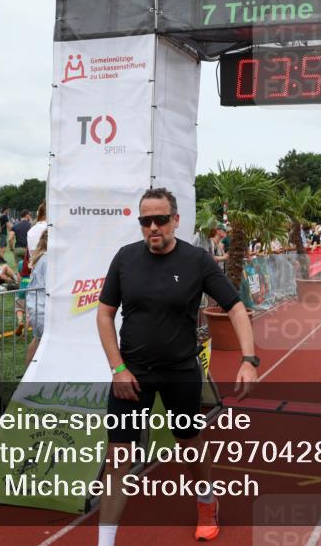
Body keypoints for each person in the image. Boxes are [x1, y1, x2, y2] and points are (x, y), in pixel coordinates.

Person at [96, 187, 258, 546]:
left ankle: (206, 500)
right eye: (145, 221)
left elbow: (234, 307)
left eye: (161, 220)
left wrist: (249, 359)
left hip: (180, 374)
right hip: (130, 376)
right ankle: (105, 542)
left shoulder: (197, 261)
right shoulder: (124, 259)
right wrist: (117, 369)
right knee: (118, 458)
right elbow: (105, 315)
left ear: (176, 220)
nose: (153, 227)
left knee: (189, 445)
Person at [25, 230, 48, 367]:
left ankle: (27, 377)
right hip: (42, 308)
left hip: (37, 306)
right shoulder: (48, 259)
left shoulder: (42, 257)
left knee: (37, 340)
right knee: (40, 342)